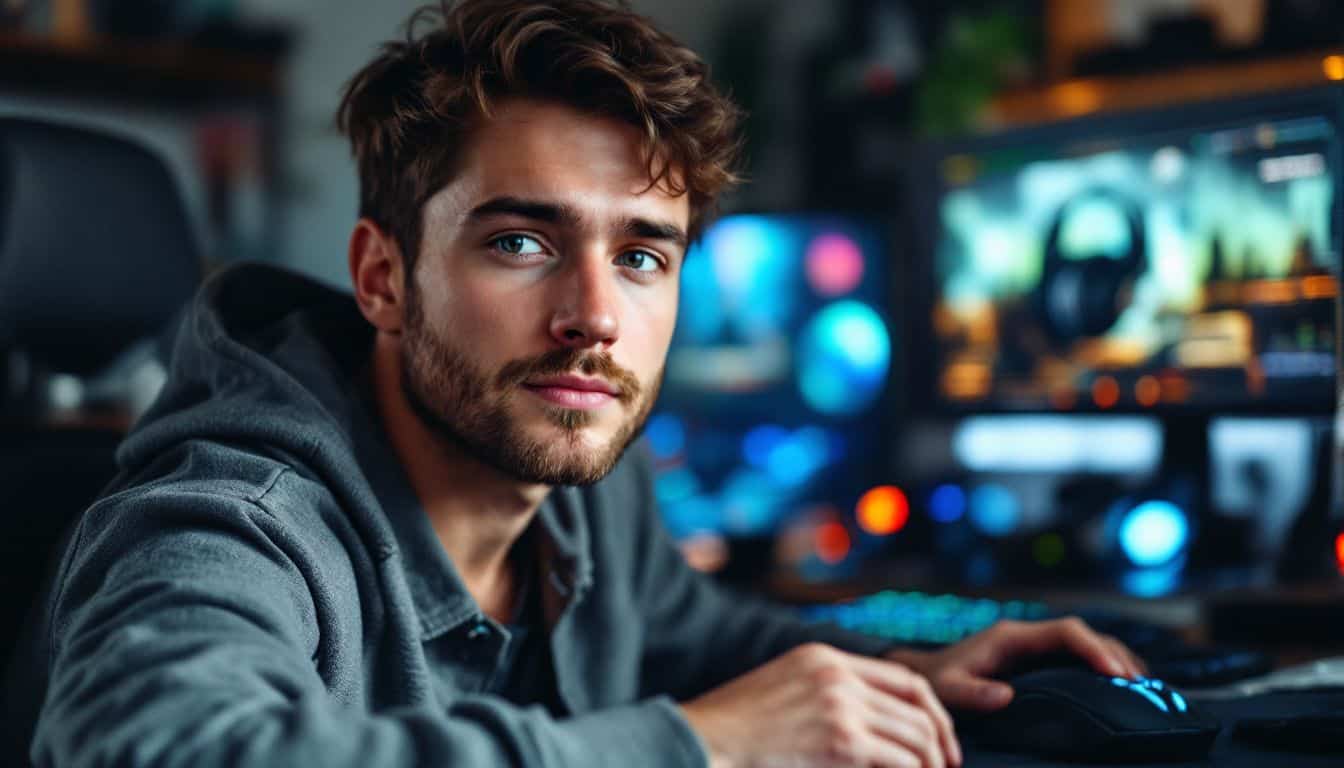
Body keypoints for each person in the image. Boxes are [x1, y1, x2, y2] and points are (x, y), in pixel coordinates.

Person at [9, 1, 1145, 766]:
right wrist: (698, 745)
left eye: (643, 255)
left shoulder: (576, 457)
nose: (595, 318)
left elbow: (686, 636)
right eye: (520, 242)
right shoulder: (234, 518)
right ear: (382, 277)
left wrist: (904, 676)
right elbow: (167, 743)